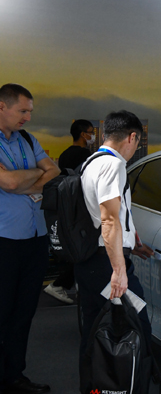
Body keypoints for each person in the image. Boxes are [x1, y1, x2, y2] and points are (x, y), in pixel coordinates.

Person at [74, 110, 154, 394]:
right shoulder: (113, 165)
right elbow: (108, 220)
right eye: (137, 142)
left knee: (95, 332)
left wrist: (133, 243)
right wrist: (119, 270)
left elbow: (109, 217)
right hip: (108, 266)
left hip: (93, 262)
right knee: (138, 330)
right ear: (132, 137)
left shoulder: (92, 162)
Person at [0, 83, 60, 394]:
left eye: (30, 111)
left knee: (23, 313)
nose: (28, 117)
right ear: (2, 106)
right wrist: (33, 176)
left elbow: (54, 170)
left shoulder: (27, 139)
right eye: (23, 110)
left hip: (35, 240)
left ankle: (13, 376)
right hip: (4, 242)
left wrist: (22, 182)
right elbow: (8, 182)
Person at [44, 120, 96, 305]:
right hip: (81, 206)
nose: (92, 136)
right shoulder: (85, 155)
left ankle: (66, 284)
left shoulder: (65, 154)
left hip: (66, 206)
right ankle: (61, 284)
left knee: (74, 246)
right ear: (83, 134)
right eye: (90, 132)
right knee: (85, 249)